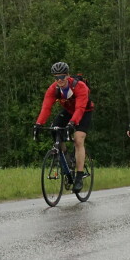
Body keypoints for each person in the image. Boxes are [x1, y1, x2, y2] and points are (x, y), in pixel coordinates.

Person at [35, 61, 93, 192]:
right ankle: (67, 159)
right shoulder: (53, 89)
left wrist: (72, 123)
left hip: (84, 112)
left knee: (78, 139)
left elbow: (80, 108)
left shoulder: (80, 87)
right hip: (68, 111)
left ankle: (79, 176)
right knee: (55, 130)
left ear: (67, 76)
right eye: (56, 77)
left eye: (62, 77)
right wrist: (38, 124)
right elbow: (46, 107)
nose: (59, 80)